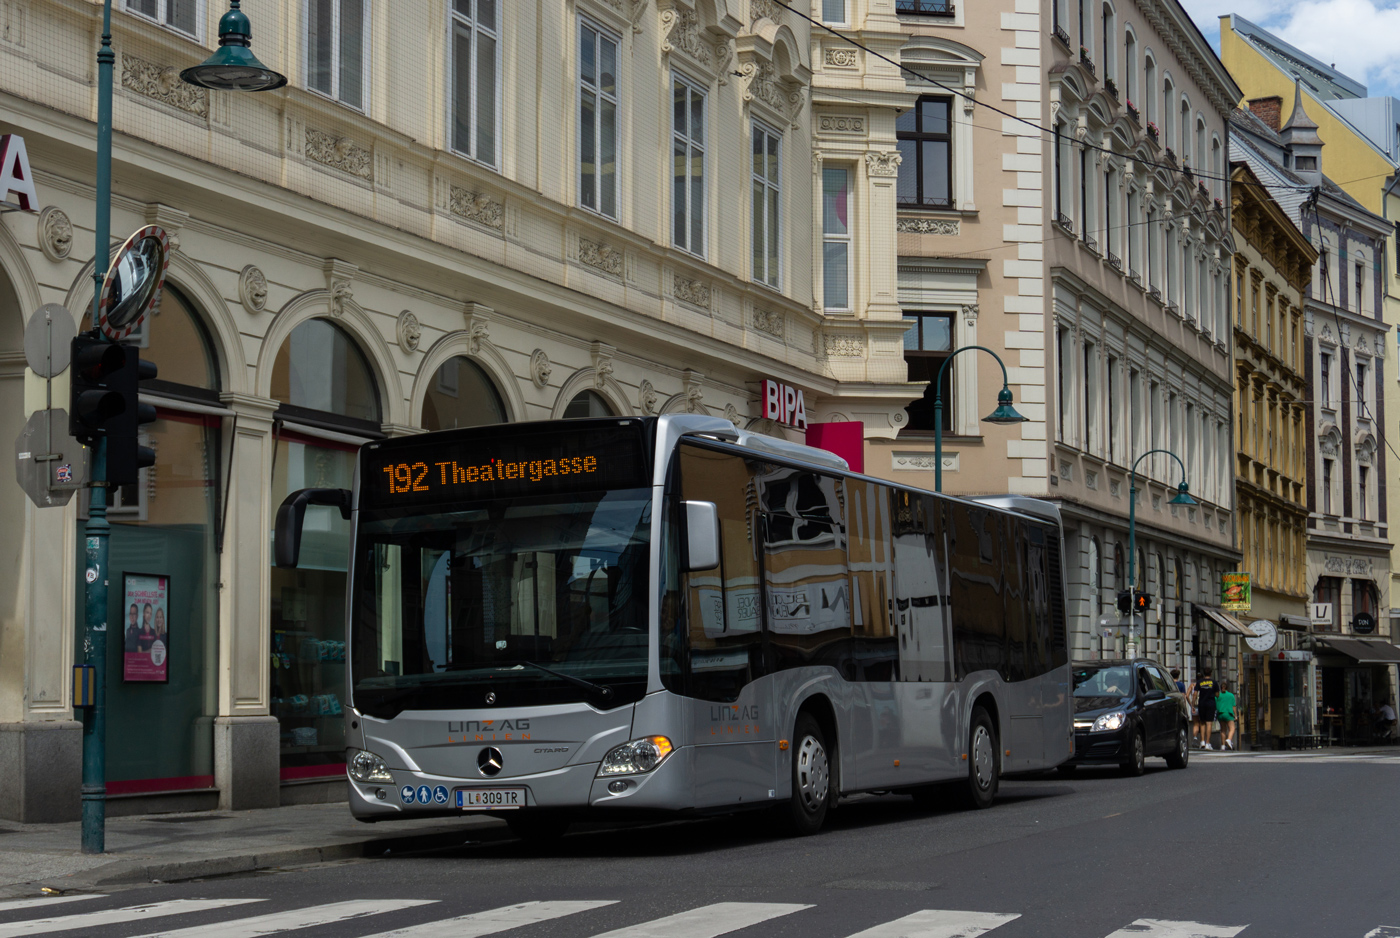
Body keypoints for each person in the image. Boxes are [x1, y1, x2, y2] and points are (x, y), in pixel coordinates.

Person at [1191, 667, 1217, 749]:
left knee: (1202, 723)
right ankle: (1207, 743)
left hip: (1201, 704)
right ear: (1211, 674)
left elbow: (1195, 694)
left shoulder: (1199, 682)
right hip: (1210, 703)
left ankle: (1202, 741)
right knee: (1209, 723)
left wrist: (1192, 704)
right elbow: (1217, 694)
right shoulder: (1214, 682)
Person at [1215, 679, 1238, 751]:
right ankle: (1229, 739)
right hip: (1228, 714)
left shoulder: (1218, 695)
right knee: (1232, 728)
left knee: (1223, 730)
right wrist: (1236, 715)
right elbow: (1234, 706)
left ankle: (1222, 746)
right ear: (1227, 687)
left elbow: (1215, 705)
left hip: (1220, 714)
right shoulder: (1231, 695)